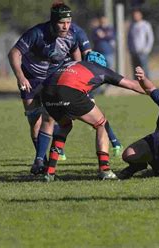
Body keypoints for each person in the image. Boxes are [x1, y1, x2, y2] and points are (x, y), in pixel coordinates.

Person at [39, 51, 145, 181]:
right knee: (102, 124)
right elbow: (132, 84)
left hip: (46, 93)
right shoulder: (101, 69)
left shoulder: (71, 64)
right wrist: (154, 92)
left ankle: (49, 172)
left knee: (65, 126)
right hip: (68, 92)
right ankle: (104, 170)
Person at [8, 2, 82, 168]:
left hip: (54, 78)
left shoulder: (72, 35)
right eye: (61, 22)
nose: (65, 26)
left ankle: (41, 159)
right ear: (53, 21)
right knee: (34, 120)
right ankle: (41, 159)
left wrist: (78, 74)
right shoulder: (36, 33)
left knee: (55, 116)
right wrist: (20, 77)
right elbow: (14, 53)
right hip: (31, 79)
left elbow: (76, 52)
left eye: (68, 22)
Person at [128, 8, 154, 78]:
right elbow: (129, 38)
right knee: (135, 71)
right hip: (134, 52)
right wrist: (130, 49)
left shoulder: (145, 24)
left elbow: (150, 38)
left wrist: (147, 49)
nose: (135, 16)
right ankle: (137, 86)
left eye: (137, 15)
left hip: (142, 52)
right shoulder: (132, 25)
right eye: (134, 15)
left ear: (141, 15)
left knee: (144, 70)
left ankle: (147, 86)